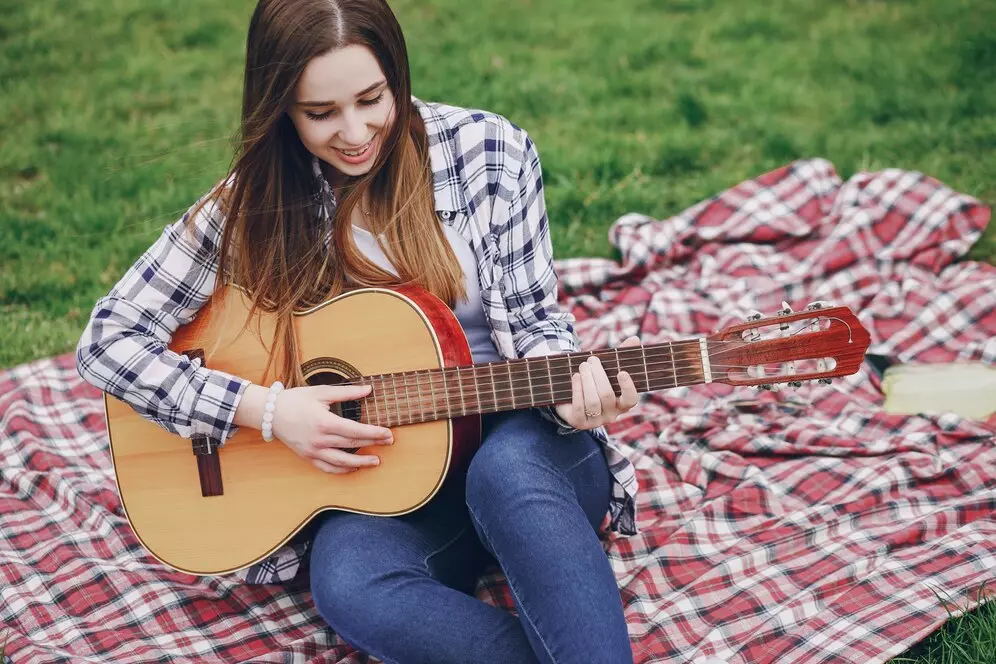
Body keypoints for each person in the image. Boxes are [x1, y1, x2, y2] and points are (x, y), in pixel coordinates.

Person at [76, 0, 642, 661]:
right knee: (348, 581)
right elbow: (108, 340)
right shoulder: (254, 205)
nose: (354, 132)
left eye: (373, 99)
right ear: (280, 107)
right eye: (320, 114)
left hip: (523, 447)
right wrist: (267, 410)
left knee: (506, 471)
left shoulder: (489, 152)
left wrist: (573, 387)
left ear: (397, 74)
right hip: (388, 478)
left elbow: (534, 319)